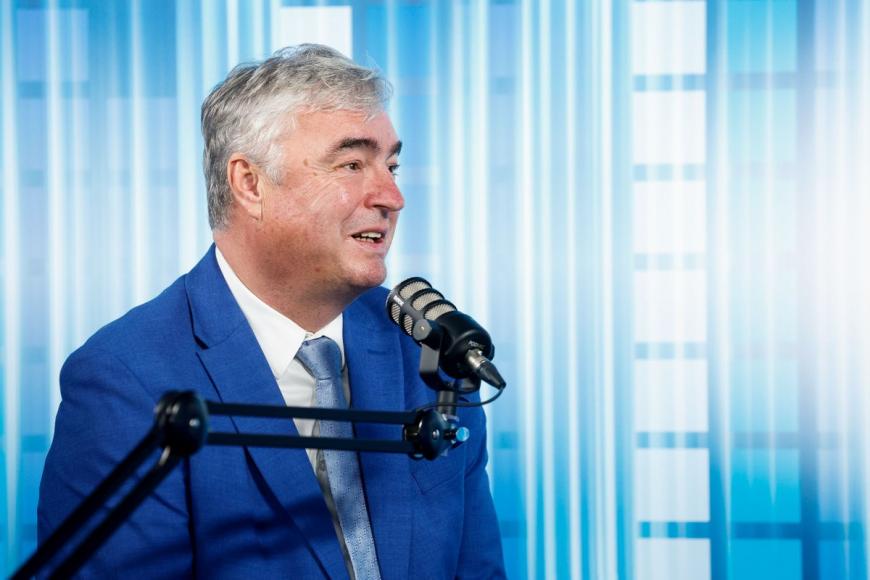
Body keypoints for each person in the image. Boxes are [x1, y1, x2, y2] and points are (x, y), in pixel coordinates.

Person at [37, 44, 505, 579]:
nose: (391, 196)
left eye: (391, 165)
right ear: (250, 183)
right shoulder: (125, 381)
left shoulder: (430, 350)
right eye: (352, 164)